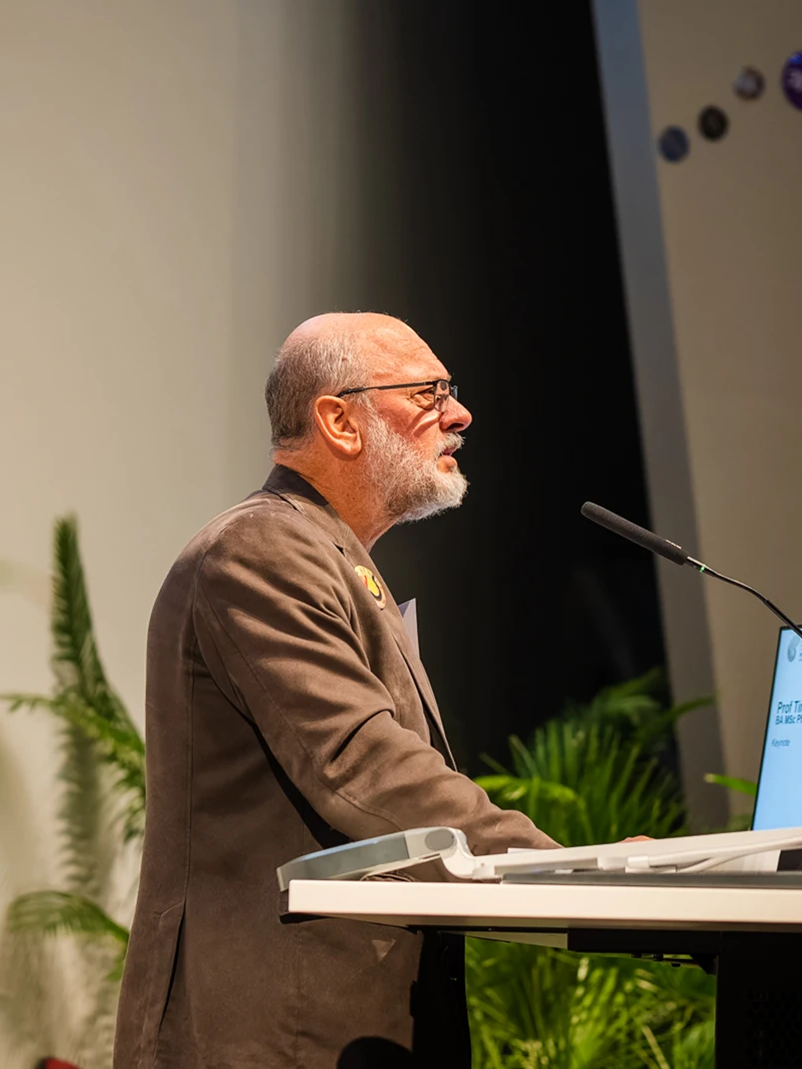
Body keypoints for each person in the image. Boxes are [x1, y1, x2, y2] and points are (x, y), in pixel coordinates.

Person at [113, 313, 559, 1069]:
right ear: (339, 420)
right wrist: (555, 866)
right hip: (271, 1034)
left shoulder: (332, 555)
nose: (458, 414)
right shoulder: (261, 549)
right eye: (428, 392)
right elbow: (359, 765)